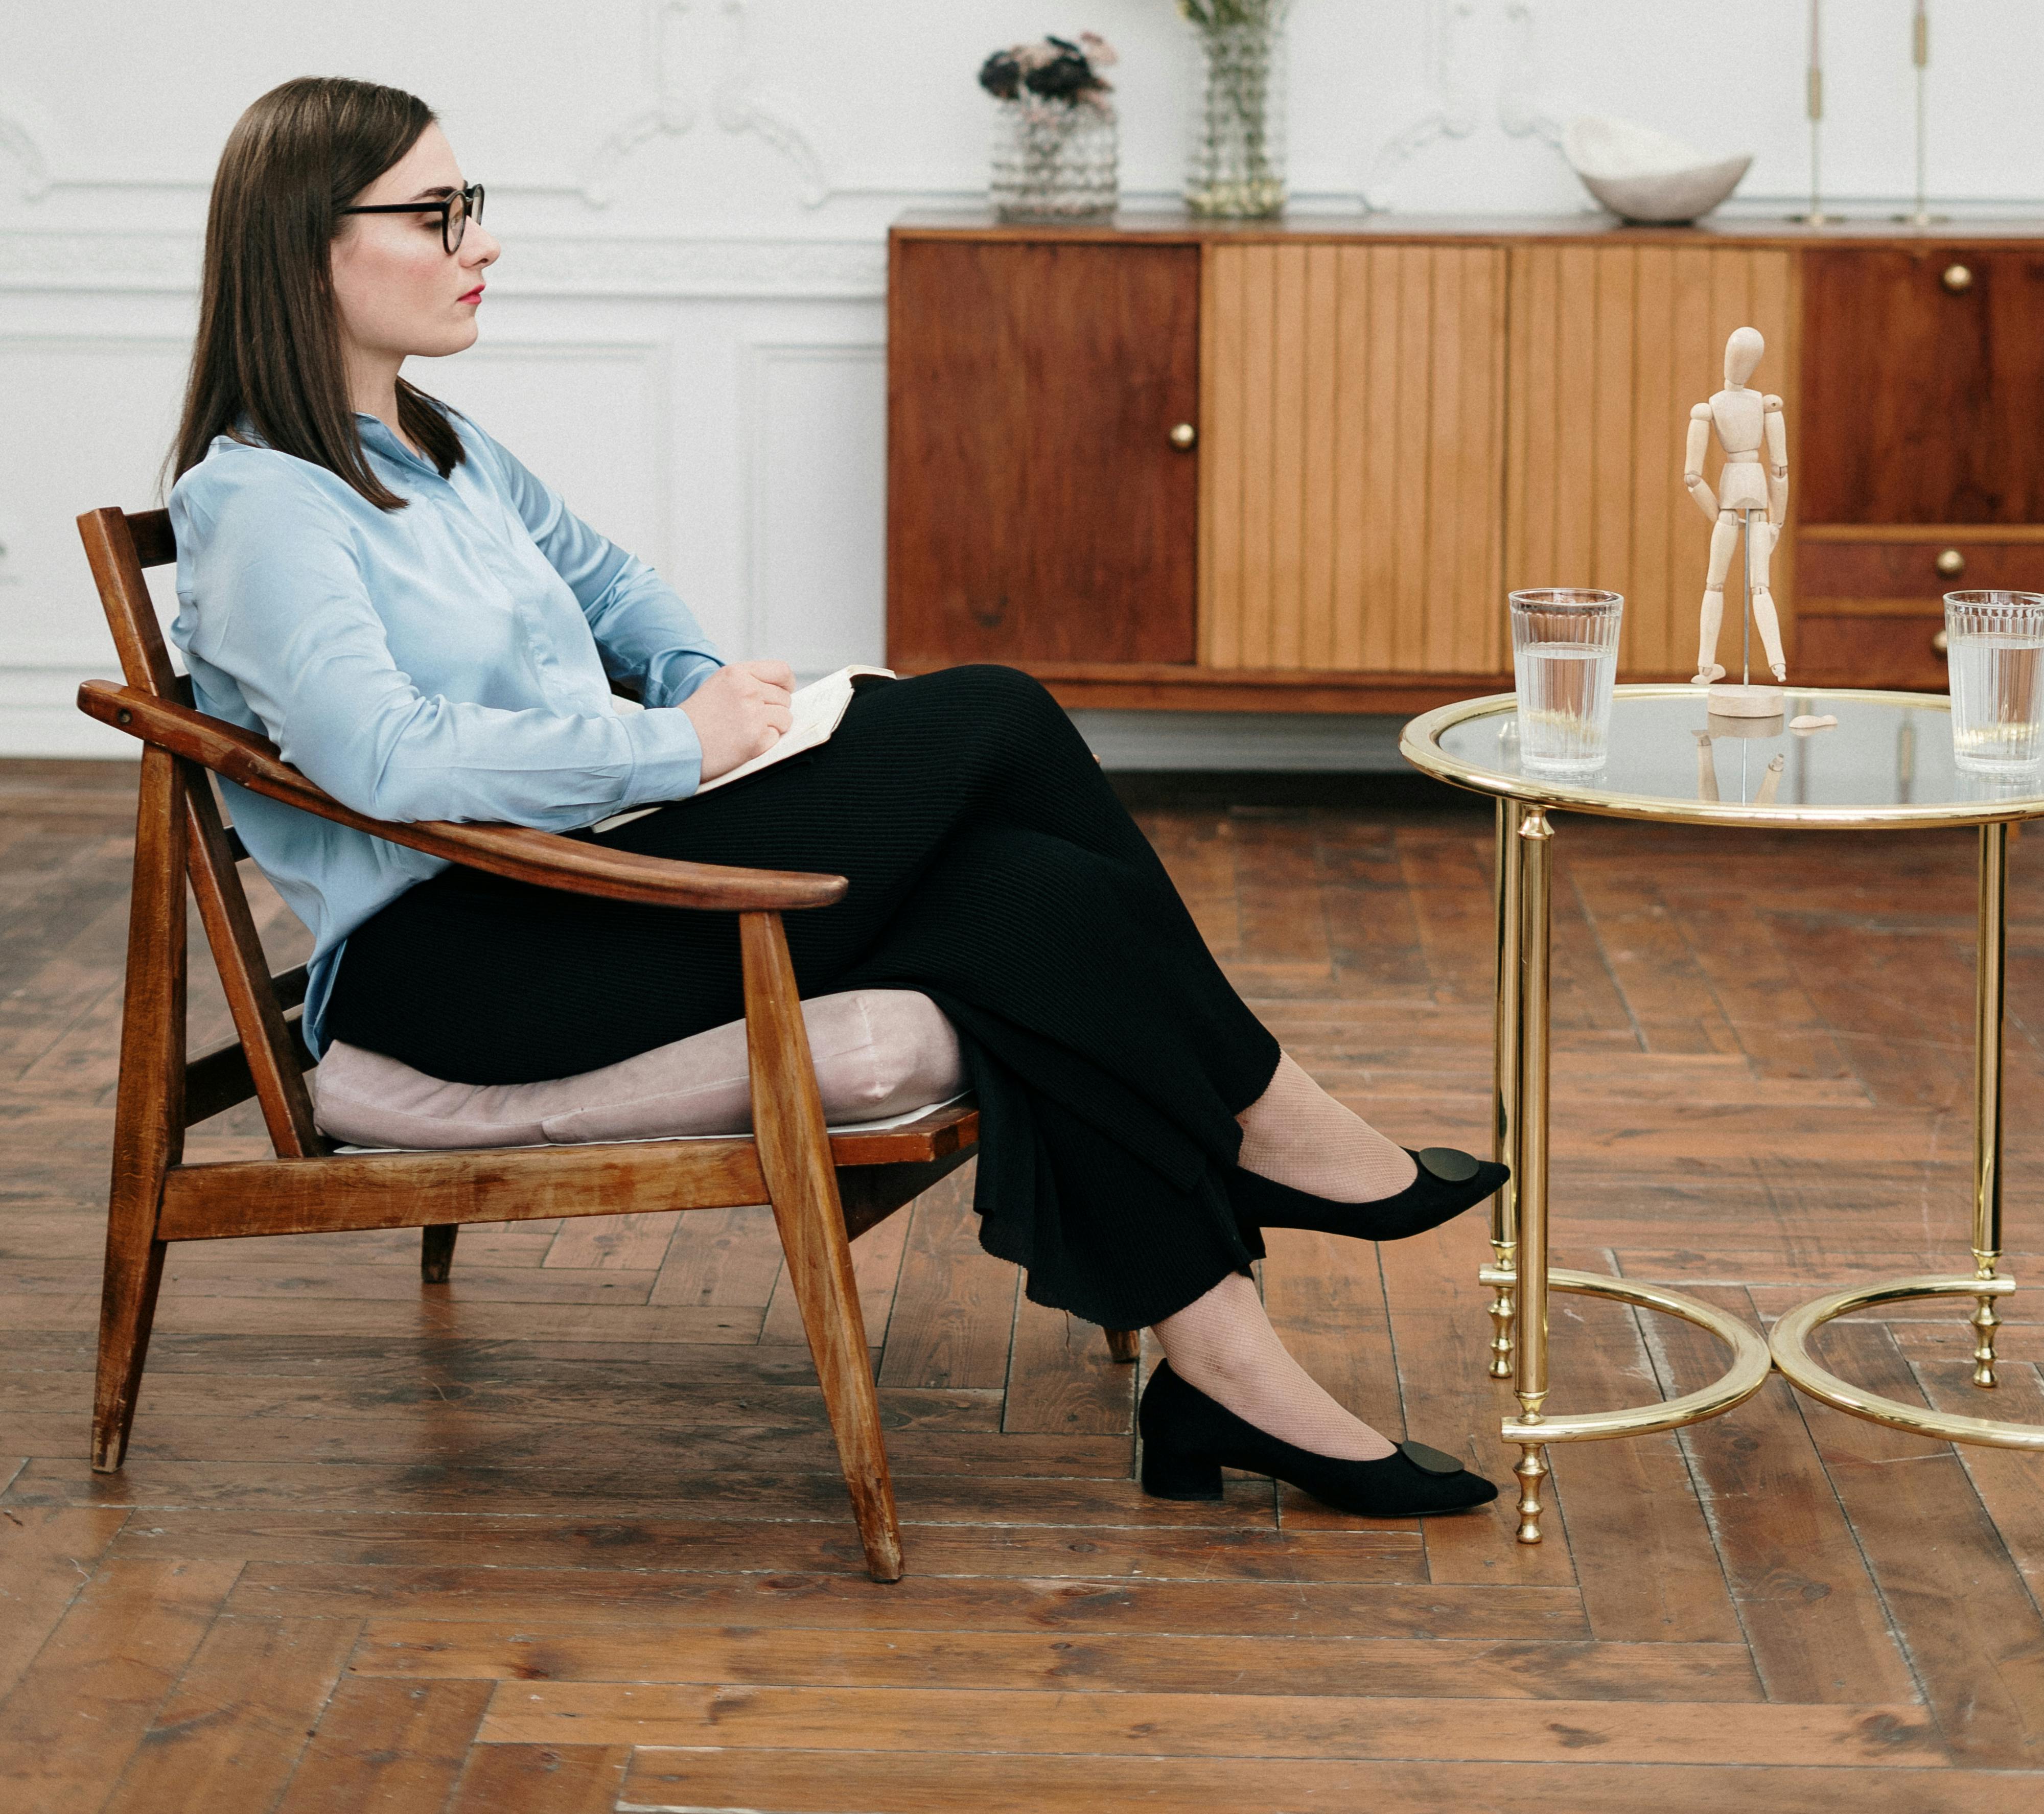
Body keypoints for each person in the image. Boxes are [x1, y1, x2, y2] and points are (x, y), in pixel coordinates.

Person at [168, 76, 1503, 1519]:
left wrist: (705, 690)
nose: (479, 242)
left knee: (1035, 904)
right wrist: (676, 750)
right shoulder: (260, 503)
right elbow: (385, 758)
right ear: (311, 244)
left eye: (470, 205)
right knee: (991, 712)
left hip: (579, 878)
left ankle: (1229, 1375)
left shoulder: (442, 443)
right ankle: (1257, 1118)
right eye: (438, 214)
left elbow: (611, 583)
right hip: (458, 962)